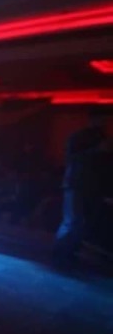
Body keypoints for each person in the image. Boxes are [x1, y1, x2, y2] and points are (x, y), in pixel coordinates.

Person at [53, 109, 108, 264]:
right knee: (72, 221)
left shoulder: (102, 137)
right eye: (102, 119)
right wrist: (97, 150)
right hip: (76, 183)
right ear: (93, 119)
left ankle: (69, 253)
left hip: (90, 186)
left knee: (81, 222)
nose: (104, 122)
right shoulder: (79, 136)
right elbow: (71, 158)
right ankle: (60, 254)